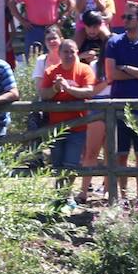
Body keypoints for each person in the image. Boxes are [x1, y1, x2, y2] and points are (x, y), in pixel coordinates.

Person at [104, 2, 138, 203]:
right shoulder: (114, 43)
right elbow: (111, 74)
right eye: (124, 16)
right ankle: (122, 196)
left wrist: (126, 68)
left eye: (129, 17)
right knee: (121, 153)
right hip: (119, 105)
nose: (125, 20)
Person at [38, 37, 98, 180]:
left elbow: (89, 91)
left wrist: (68, 89)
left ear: (77, 53)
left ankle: (67, 195)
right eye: (65, 52)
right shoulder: (51, 71)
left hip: (78, 127)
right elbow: (43, 94)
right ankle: (60, 197)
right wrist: (55, 88)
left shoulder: (85, 70)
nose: (69, 55)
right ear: (59, 53)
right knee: (57, 166)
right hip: (56, 127)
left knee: (71, 164)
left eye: (72, 52)